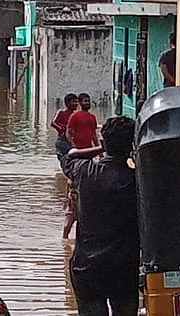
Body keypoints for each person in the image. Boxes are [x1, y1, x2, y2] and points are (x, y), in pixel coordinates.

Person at [62, 116, 139, 316]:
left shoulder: (83, 171)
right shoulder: (138, 181)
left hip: (87, 268)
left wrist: (101, 148)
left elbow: (70, 156)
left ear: (103, 142)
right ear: (132, 145)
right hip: (123, 268)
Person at [51, 93, 79, 161]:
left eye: (76, 102)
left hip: (72, 140)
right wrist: (62, 129)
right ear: (67, 103)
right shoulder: (61, 112)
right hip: (62, 140)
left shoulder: (76, 115)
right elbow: (53, 123)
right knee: (65, 157)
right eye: (73, 102)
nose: (76, 104)